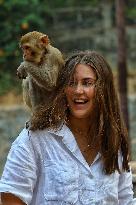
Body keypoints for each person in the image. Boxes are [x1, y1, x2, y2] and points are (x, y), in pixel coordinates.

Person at [0, 50, 136, 205]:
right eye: (71, 83)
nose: (78, 91)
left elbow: (125, 201)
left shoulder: (113, 140)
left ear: (103, 89)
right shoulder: (35, 138)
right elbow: (10, 198)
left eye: (87, 83)